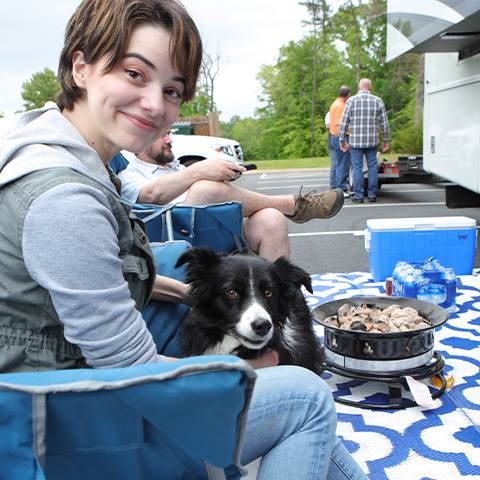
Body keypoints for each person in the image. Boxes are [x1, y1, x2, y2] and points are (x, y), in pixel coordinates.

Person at [0, 1, 367, 479]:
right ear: (81, 66)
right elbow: (132, 373)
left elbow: (95, 281)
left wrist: (191, 291)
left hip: (56, 384)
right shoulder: (64, 197)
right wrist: (243, 372)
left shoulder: (68, 147)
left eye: (172, 89)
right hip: (51, 426)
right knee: (307, 398)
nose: (156, 104)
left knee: (173, 263)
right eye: (135, 73)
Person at [118, 131, 344, 261]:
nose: (169, 140)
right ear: (139, 142)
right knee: (203, 189)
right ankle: (293, 205)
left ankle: (276, 302)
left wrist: (221, 173)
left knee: (271, 219)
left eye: (168, 133)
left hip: (223, 229)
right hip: (182, 243)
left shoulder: (176, 168)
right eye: (161, 135)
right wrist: (199, 171)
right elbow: (151, 195)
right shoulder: (130, 175)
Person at [338, 78, 389, 203]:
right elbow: (384, 123)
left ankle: (359, 195)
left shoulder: (351, 101)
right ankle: (372, 195)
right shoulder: (378, 101)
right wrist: (386, 140)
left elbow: (344, 122)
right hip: (372, 141)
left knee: (357, 167)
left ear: (359, 87)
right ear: (370, 87)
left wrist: (342, 139)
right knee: (372, 167)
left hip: (356, 141)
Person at [328, 86, 351, 198]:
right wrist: (350, 131)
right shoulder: (341, 106)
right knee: (343, 164)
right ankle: (341, 189)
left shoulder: (335, 103)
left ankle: (335, 188)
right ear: (347, 95)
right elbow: (339, 124)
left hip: (333, 136)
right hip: (339, 137)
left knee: (337, 164)